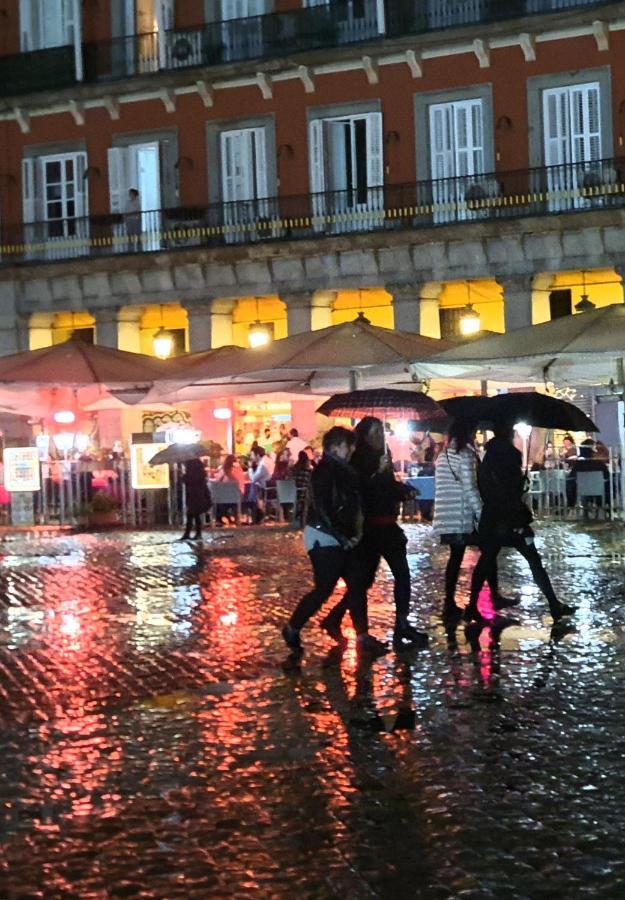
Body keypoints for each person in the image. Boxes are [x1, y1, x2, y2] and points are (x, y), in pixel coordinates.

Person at [320, 417, 428, 650]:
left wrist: (403, 490)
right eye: (375, 432)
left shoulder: (384, 456)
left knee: (402, 575)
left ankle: (401, 623)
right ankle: (340, 620)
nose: (380, 436)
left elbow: (386, 488)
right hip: (370, 529)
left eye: (381, 431)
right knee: (362, 582)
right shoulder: (358, 460)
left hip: (389, 526)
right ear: (364, 435)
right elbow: (362, 492)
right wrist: (377, 473)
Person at [281, 426, 388, 657]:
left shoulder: (343, 469)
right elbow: (322, 508)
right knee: (324, 588)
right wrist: (342, 536)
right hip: (324, 536)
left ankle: (362, 636)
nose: (351, 451)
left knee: (357, 584)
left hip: (343, 536)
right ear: (337, 446)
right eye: (348, 446)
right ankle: (292, 627)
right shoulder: (325, 470)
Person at [467, 423, 576, 625]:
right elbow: (511, 489)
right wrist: (520, 486)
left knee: (486, 560)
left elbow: (485, 486)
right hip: (510, 517)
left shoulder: (487, 457)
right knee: (533, 560)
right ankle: (553, 604)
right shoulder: (510, 455)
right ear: (509, 432)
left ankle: (472, 606)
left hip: (492, 516)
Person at [432, 420, 514, 626]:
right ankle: (484, 599)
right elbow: (470, 488)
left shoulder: (442, 456)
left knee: (456, 558)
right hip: (462, 514)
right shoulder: (465, 455)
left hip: (446, 515)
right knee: (489, 550)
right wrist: (481, 513)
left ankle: (449, 602)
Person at [180, 457, 212, 540]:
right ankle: (194, 533)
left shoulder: (190, 475)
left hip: (194, 496)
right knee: (194, 514)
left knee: (192, 514)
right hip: (200, 496)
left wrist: (183, 476)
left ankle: (192, 533)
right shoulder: (201, 474)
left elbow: (187, 481)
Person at [289, 449, 312, 527]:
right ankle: (303, 520)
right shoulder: (308, 471)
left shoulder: (293, 470)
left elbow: (290, 479)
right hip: (304, 494)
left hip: (291, 494)